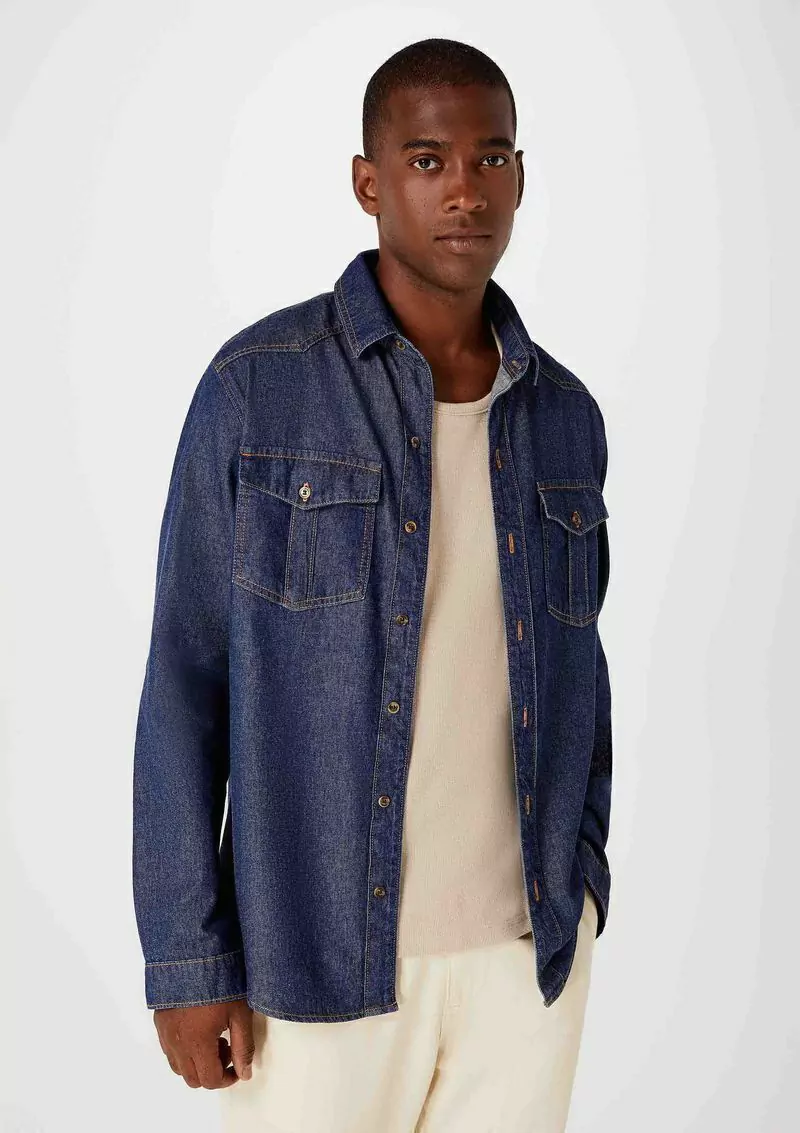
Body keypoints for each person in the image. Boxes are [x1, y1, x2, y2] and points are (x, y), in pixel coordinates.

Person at [132, 36, 613, 1133]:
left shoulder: (564, 417)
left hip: (524, 963)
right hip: (314, 965)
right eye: (428, 160)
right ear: (368, 182)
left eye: (490, 159)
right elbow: (183, 681)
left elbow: (579, 673)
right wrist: (186, 957)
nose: (464, 191)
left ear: (520, 177)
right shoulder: (259, 390)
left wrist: (580, 886)